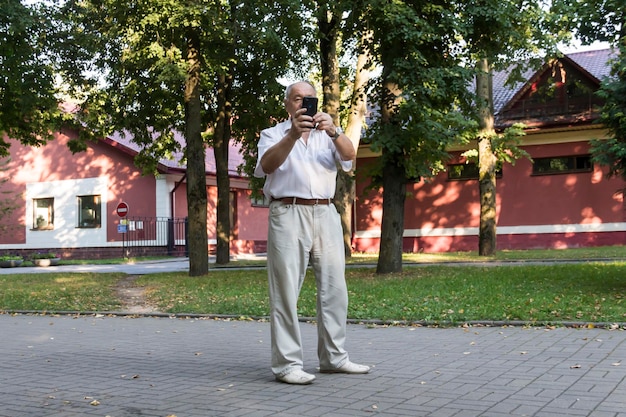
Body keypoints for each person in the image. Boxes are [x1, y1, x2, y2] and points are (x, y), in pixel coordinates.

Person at [254, 81, 370, 385]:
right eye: (298, 99)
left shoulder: (327, 133)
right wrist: (292, 135)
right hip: (287, 212)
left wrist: (334, 130)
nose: (304, 103)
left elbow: (350, 156)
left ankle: (334, 358)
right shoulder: (273, 134)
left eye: (310, 99)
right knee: (286, 291)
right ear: (287, 104)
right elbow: (267, 165)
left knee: (334, 289)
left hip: (326, 212)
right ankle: (287, 364)